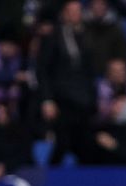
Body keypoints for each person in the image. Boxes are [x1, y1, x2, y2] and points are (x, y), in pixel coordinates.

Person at [36, 0, 96, 165]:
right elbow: (42, 70)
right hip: (61, 99)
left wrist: (93, 99)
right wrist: (47, 99)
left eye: (78, 11)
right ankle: (51, 181)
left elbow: (89, 71)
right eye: (71, 11)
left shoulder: (86, 35)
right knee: (62, 143)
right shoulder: (53, 37)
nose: (75, 15)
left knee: (85, 145)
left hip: (83, 101)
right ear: (64, 14)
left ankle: (85, 185)